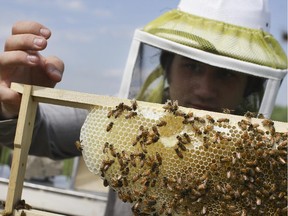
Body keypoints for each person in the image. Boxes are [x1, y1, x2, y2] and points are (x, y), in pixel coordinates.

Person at [0, 0, 287, 215]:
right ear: (168, 67)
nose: (205, 88)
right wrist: (13, 103)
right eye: (192, 66)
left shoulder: (268, 158)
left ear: (250, 86)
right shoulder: (124, 120)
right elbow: (41, 132)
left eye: (226, 74)